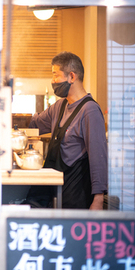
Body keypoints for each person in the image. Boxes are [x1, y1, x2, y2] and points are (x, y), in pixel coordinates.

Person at [28, 51, 108, 210]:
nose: (53, 81)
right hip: (54, 195)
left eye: (55, 75)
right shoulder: (59, 106)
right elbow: (34, 123)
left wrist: (98, 199)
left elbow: (98, 156)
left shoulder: (90, 110)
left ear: (72, 76)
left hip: (76, 198)